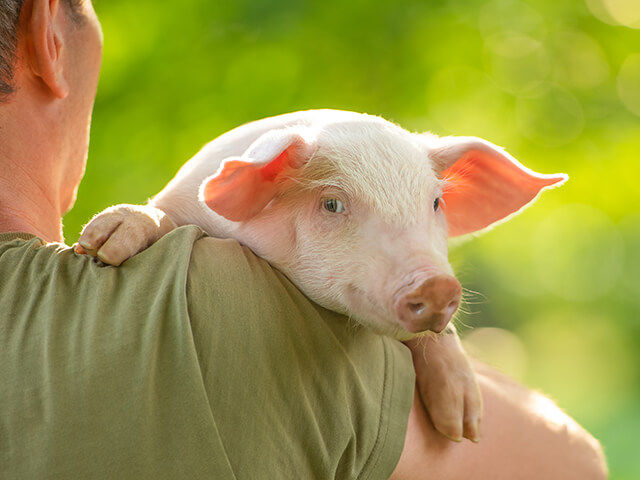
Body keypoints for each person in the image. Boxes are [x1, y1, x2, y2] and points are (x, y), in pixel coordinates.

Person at [0, 1, 607, 478]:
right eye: (333, 205)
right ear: (48, 32)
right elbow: (574, 465)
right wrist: (429, 345)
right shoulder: (236, 313)